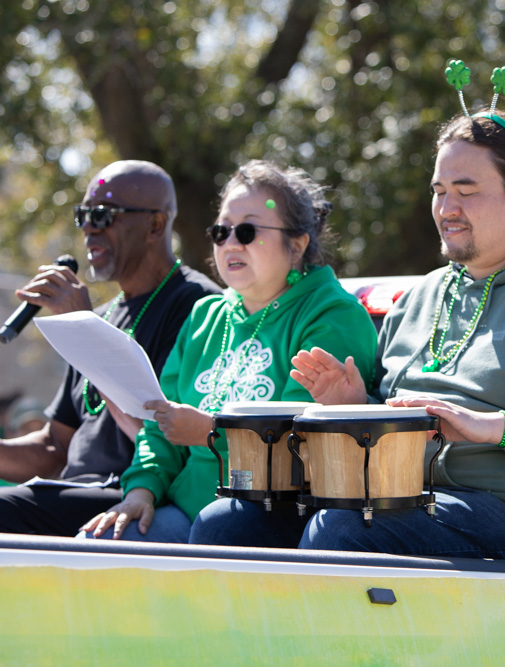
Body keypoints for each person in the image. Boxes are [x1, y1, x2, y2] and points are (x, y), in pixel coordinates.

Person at [256, 108, 505, 561]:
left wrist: (497, 428)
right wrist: (356, 406)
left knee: (344, 529)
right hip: (397, 495)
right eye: (440, 191)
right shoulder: (419, 296)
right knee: (232, 521)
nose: (447, 209)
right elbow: (407, 425)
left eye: (466, 191)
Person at [0, 160, 222, 535]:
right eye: (82, 215)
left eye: (102, 215)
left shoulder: (197, 306)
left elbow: (161, 437)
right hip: (73, 487)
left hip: (134, 491)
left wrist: (86, 333)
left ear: (155, 225)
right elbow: (55, 448)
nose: (88, 228)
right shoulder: (102, 315)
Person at [82, 160, 378, 544]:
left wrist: (211, 432)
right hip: (187, 509)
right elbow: (160, 422)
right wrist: (141, 491)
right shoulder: (205, 316)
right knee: (97, 544)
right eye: (221, 231)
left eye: (248, 231)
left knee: (216, 526)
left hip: (277, 515)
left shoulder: (332, 315)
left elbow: (305, 445)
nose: (231, 243)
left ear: (297, 245)